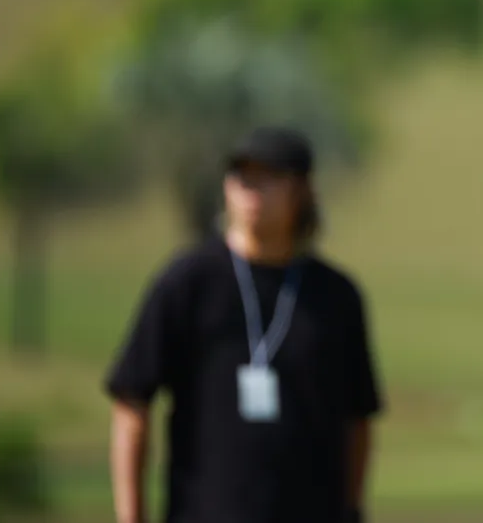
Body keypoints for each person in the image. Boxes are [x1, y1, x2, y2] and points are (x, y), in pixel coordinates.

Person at [106, 126, 383, 523]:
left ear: (301, 191)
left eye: (269, 178)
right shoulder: (189, 283)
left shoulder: (335, 297)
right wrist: (131, 516)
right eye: (242, 177)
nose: (252, 190)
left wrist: (351, 510)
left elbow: (357, 417)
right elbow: (131, 398)